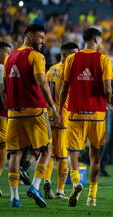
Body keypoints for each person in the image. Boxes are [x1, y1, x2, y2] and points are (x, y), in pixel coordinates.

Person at [2, 24, 60, 208]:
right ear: (29, 35)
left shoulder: (10, 58)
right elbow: (42, 83)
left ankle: (14, 198)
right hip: (34, 110)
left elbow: (4, 88)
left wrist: (10, 106)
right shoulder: (36, 56)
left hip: (14, 113)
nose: (43, 41)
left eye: (44, 38)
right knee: (47, 149)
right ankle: (35, 186)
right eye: (40, 37)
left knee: (15, 154)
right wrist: (53, 106)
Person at [59, 27, 113, 207]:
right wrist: (110, 100)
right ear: (97, 40)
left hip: (75, 113)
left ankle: (75, 182)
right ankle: (92, 197)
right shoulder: (104, 59)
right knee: (95, 157)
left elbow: (64, 88)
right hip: (96, 114)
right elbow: (107, 90)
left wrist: (60, 111)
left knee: (72, 153)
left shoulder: (72, 59)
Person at [43, 42, 79, 199]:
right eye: (73, 55)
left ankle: (46, 181)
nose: (76, 58)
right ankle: (60, 191)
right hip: (63, 117)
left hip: (48, 115)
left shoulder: (51, 69)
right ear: (64, 55)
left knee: (49, 154)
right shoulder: (68, 71)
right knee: (63, 156)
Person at [0, 41, 11, 197]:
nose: (9, 56)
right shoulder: (3, 68)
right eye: (7, 52)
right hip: (3, 114)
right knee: (2, 147)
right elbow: (3, 91)